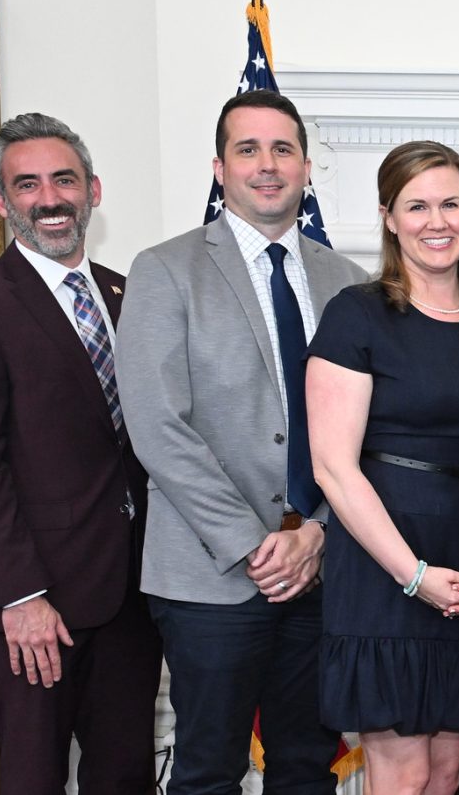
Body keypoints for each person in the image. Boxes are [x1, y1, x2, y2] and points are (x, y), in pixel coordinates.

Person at [117, 89, 368, 794]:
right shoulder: (165, 270)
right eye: (248, 149)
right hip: (211, 575)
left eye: (282, 149)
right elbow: (157, 425)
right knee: (206, 771)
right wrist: (255, 544)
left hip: (321, 572)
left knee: (305, 768)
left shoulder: (347, 283)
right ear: (220, 168)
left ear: (307, 169)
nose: (267, 165)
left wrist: (317, 533)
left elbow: (362, 433)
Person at [0, 112, 160, 792]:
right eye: (27, 184)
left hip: (134, 597)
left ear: (93, 189)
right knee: (33, 780)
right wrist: (23, 595)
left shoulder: (130, 294)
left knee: (125, 779)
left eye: (64, 179)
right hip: (40, 605)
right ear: (3, 201)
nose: (49, 198)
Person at [307, 141, 459, 794]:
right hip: (385, 571)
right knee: (402, 773)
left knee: (449, 769)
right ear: (389, 217)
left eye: (450, 203)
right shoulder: (356, 314)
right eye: (417, 205)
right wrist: (415, 575)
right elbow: (333, 467)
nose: (437, 221)